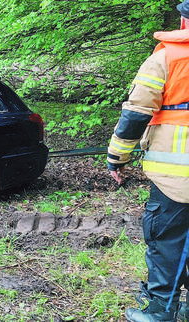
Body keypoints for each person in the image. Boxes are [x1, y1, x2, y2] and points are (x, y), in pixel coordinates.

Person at [108, 2, 189, 321]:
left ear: (184, 21)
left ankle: (161, 310)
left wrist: (118, 157)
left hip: (177, 177)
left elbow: (135, 114)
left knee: (167, 240)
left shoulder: (167, 58)